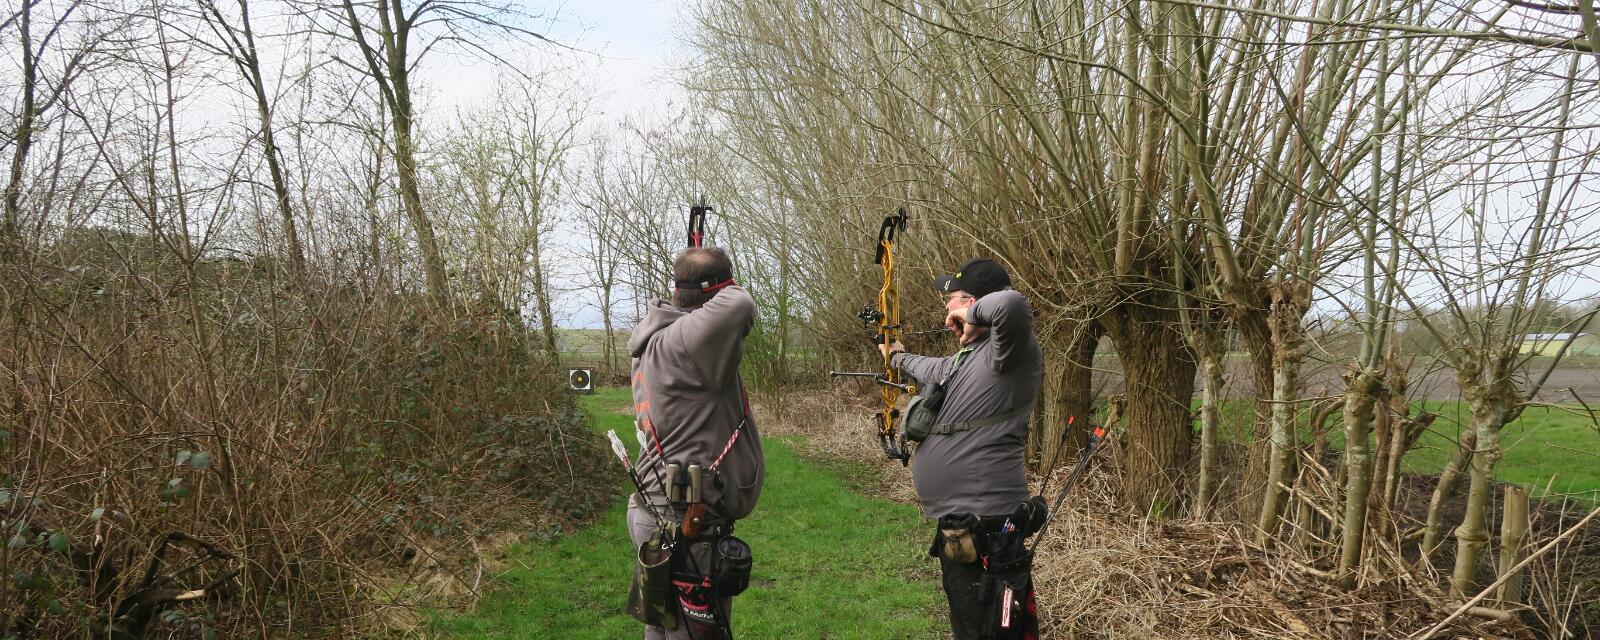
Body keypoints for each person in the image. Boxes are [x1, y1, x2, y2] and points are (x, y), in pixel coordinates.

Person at [883, 257, 1045, 640]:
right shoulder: (969, 357)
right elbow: (932, 369)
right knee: (969, 623)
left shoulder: (1010, 350)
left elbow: (1013, 304)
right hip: (963, 522)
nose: (947, 315)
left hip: (988, 521)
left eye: (951, 301)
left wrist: (971, 314)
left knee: (989, 628)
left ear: (974, 302)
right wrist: (896, 356)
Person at [625, 247, 764, 640]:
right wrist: (723, 282)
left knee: (662, 626)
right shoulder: (686, 341)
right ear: (715, 291)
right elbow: (740, 304)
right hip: (687, 521)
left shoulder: (653, 337)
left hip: (654, 510)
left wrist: (701, 282)